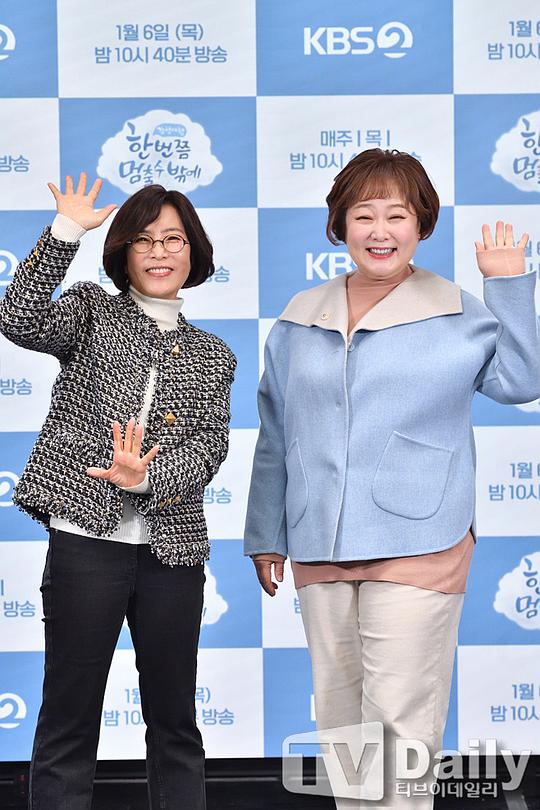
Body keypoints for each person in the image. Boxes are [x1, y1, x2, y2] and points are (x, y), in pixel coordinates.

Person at [244, 148, 540, 809]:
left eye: (397, 215)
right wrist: (266, 532)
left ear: (422, 224)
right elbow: (276, 432)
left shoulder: (457, 310)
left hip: (422, 538)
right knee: (344, 729)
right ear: (340, 226)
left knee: (398, 725)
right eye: (363, 215)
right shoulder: (300, 315)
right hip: (319, 539)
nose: (380, 230)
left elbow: (522, 382)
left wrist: (509, 286)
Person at [0, 173, 236, 810]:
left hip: (171, 550)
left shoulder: (213, 354)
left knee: (175, 720)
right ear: (123, 252)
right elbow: (18, 319)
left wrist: (147, 479)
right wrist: (65, 232)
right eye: (144, 240)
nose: (160, 252)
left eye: (174, 239)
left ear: (193, 252)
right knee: (69, 715)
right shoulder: (90, 312)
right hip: (85, 541)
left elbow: (208, 447)